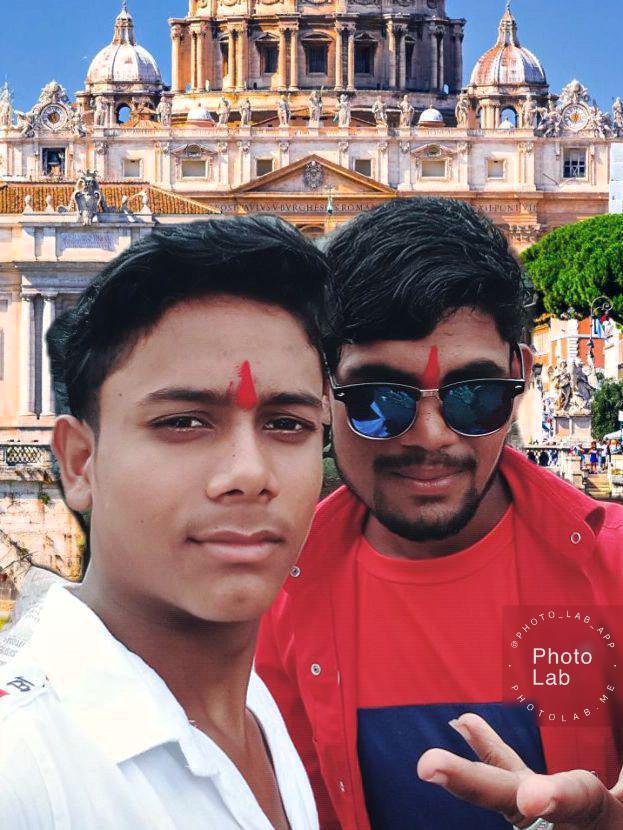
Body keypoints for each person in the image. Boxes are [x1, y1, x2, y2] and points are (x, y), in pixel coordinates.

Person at [256, 197, 623, 830]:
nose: (431, 436)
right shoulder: (265, 593)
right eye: (378, 399)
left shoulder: (612, 565)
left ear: (522, 375)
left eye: (474, 395)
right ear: (318, 386)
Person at [0, 217, 330, 829]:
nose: (250, 473)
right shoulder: (19, 768)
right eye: (183, 422)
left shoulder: (254, 707)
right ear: (80, 462)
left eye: (288, 424)